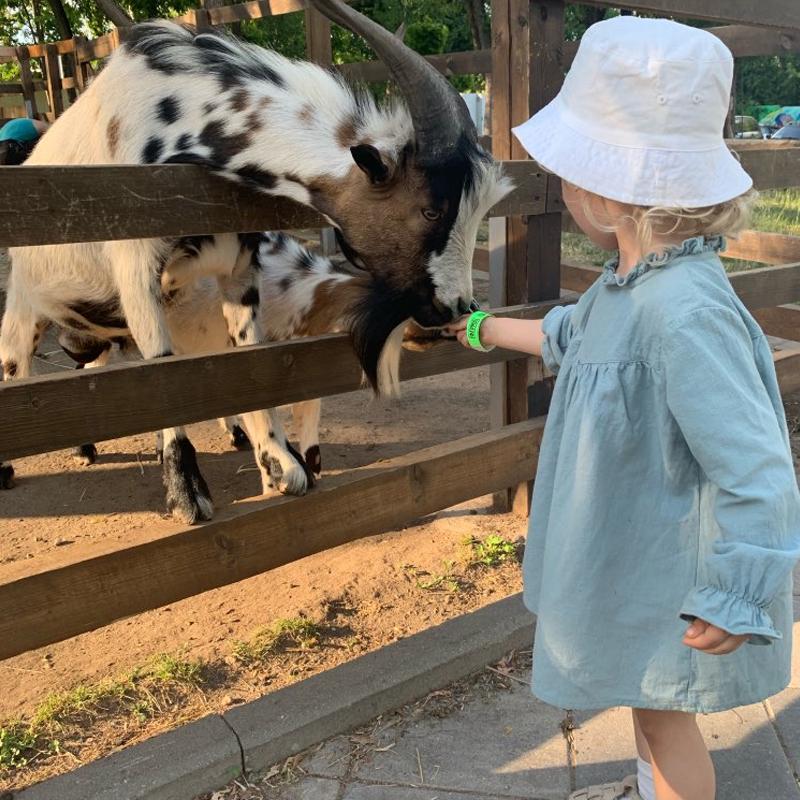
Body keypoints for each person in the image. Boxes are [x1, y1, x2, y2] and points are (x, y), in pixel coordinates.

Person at [448, 16, 800, 800]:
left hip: (670, 571)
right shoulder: (624, 287)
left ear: (609, 190)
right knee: (648, 705)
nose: (564, 187)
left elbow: (759, 470)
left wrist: (739, 594)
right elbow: (565, 338)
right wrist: (475, 326)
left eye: (570, 174)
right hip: (632, 554)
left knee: (666, 716)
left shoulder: (684, 312)